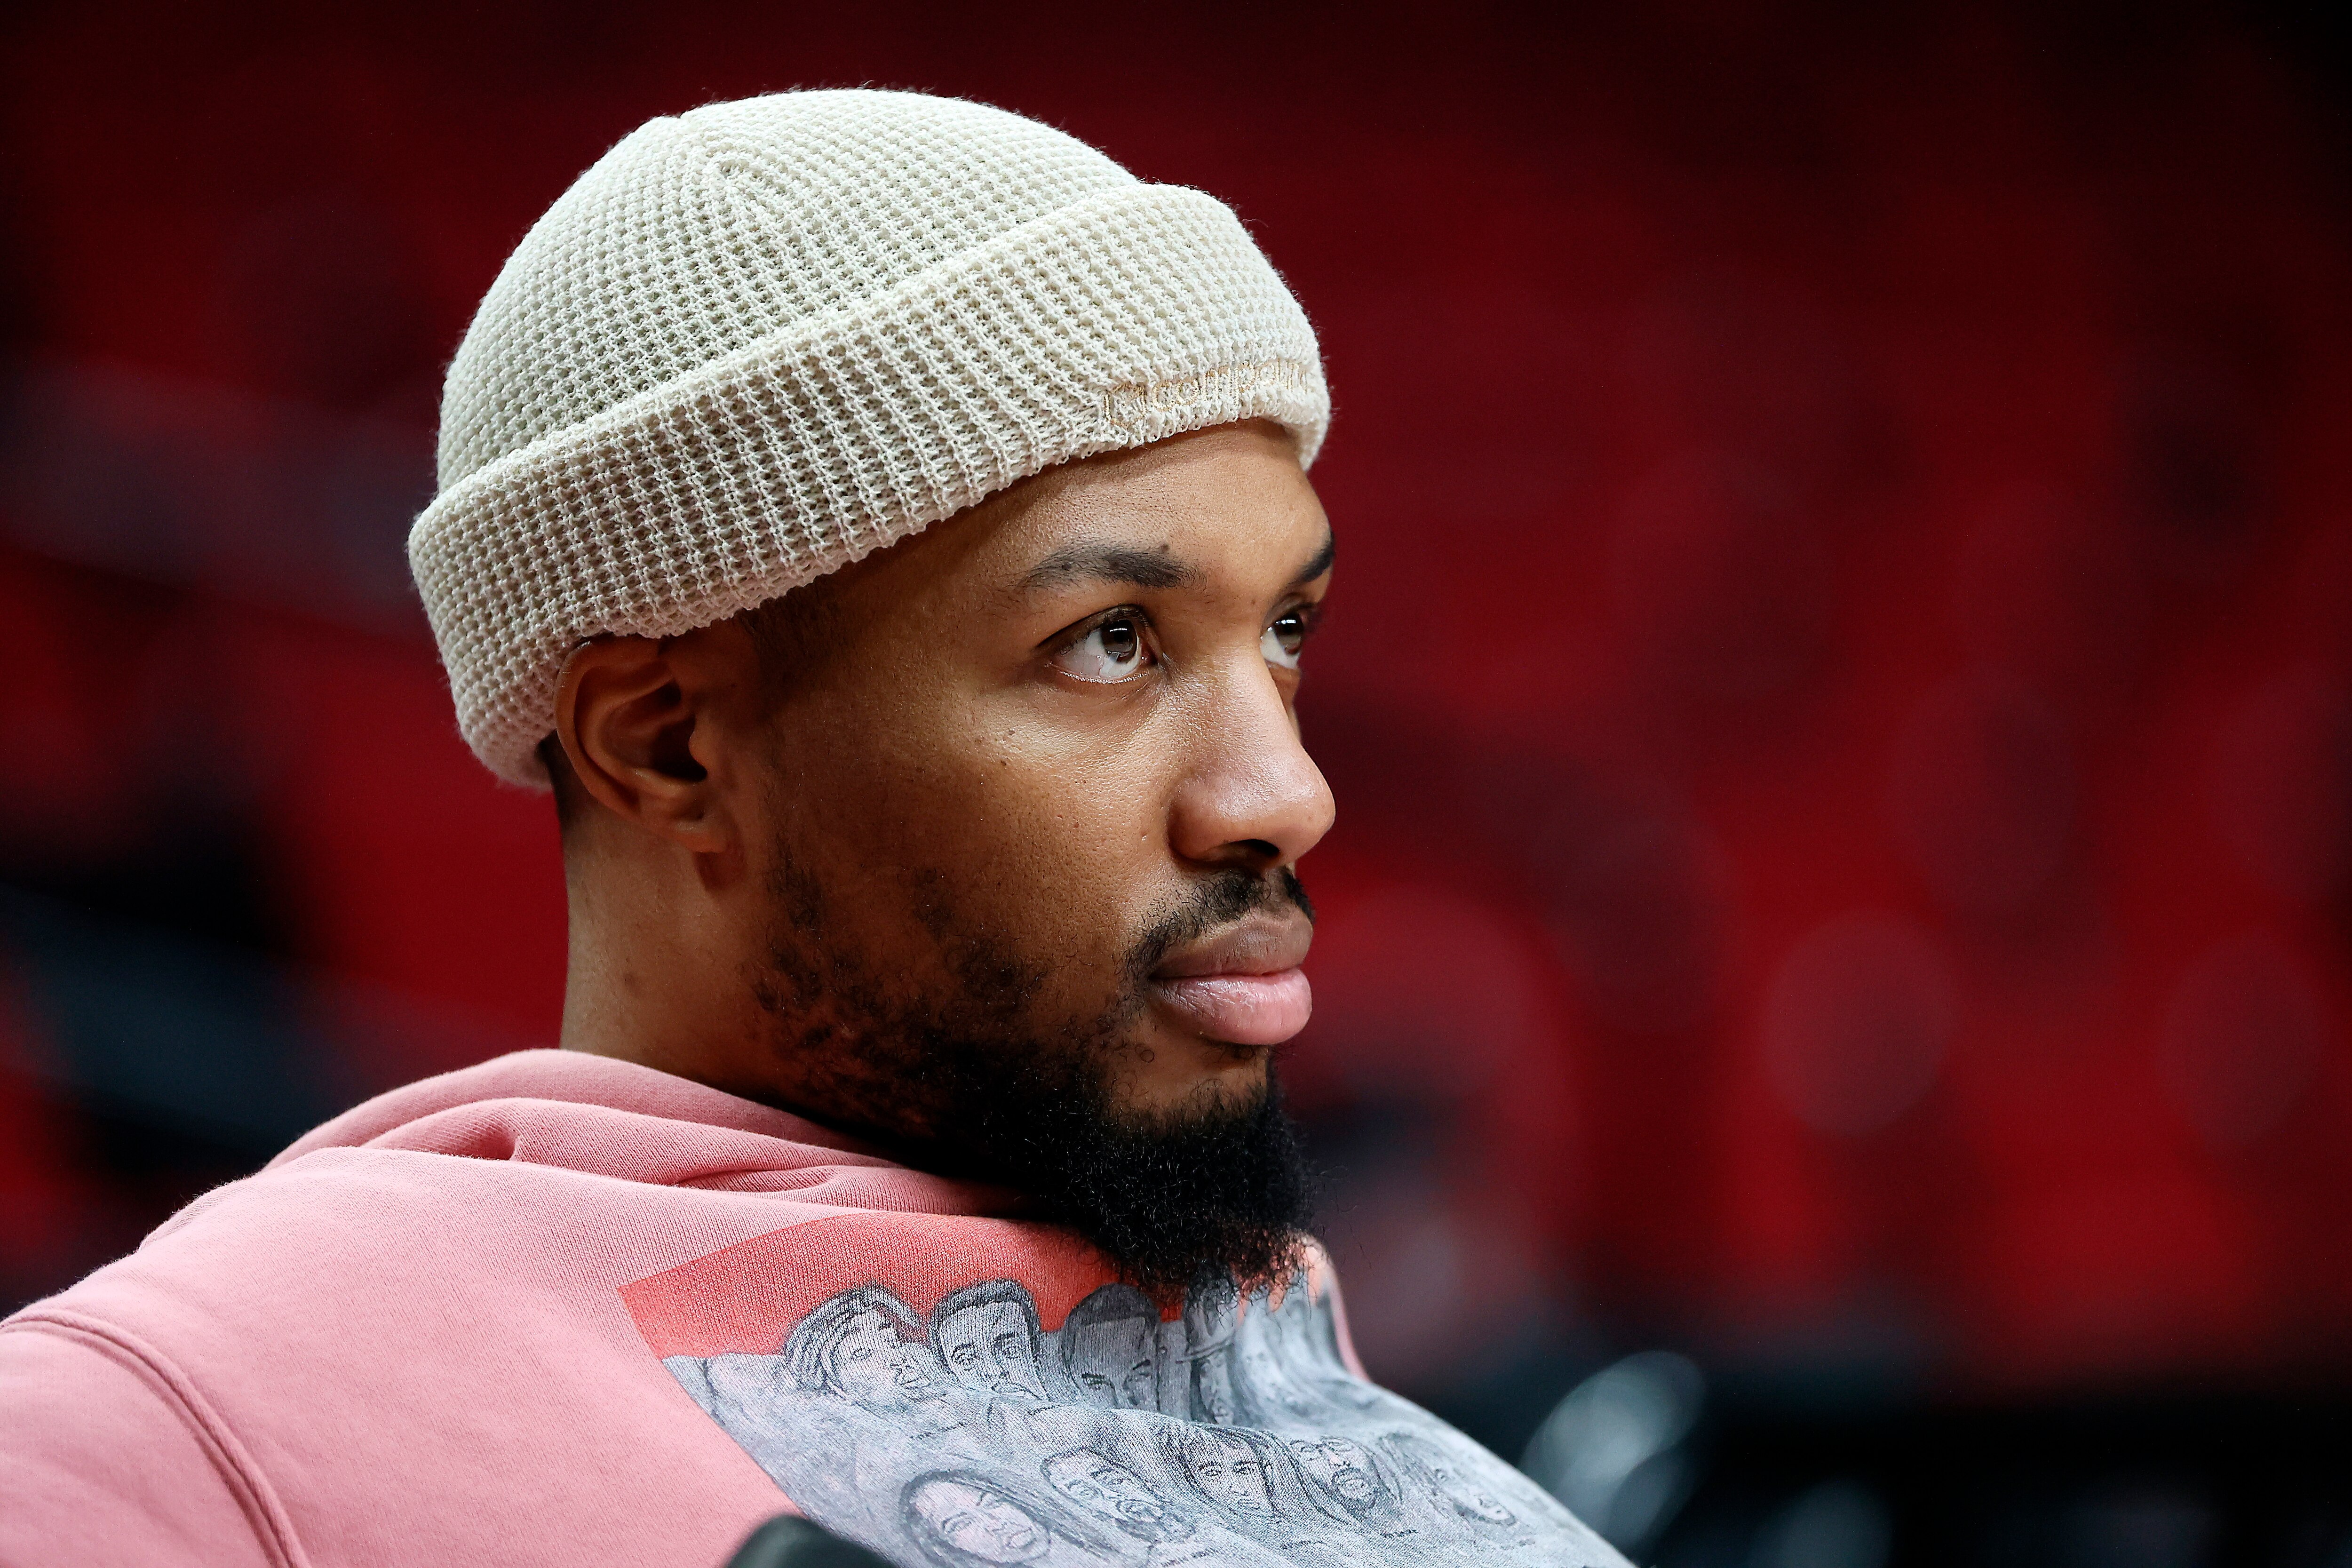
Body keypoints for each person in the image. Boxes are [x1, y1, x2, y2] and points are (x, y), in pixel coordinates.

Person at [0, 89, 1626, 1568]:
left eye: (1285, 631)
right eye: (1111, 640)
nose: (1287, 792)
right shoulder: (183, 1425)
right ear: (668, 746)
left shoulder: (1291, 1350)